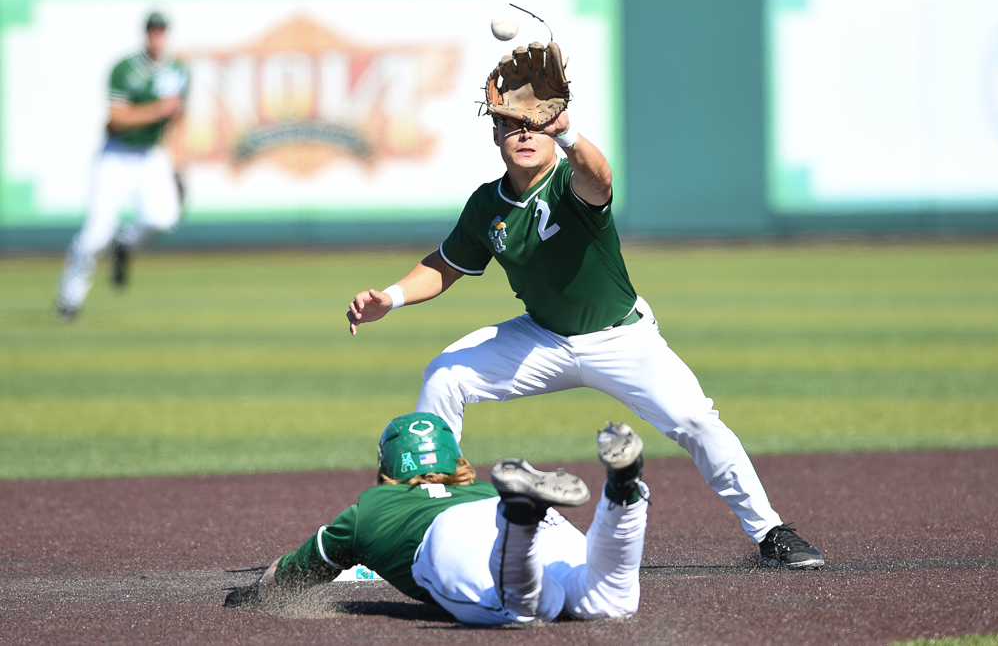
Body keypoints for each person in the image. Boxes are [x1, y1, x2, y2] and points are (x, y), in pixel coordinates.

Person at [346, 43, 823, 569]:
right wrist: (389, 297)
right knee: (444, 376)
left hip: (621, 337)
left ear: (551, 127)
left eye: (534, 123)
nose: (524, 133)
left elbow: (601, 178)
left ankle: (771, 532)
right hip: (544, 337)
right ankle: (419, 525)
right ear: (496, 134)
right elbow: (447, 263)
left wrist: (568, 133)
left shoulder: (571, 181)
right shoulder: (488, 204)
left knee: (697, 421)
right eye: (511, 124)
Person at [224, 413, 650, 624]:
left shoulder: (369, 509)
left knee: (525, 606)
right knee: (611, 599)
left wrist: (253, 595)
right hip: (508, 513)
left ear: (388, 460)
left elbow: (296, 573)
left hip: (451, 537)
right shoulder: (481, 485)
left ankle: (520, 516)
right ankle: (623, 492)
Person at [55, 11, 188, 321]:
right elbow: (116, 119)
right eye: (153, 31)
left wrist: (179, 156)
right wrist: (158, 110)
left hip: (151, 155)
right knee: (95, 236)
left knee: (164, 217)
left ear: (167, 35)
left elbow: (180, 115)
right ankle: (68, 299)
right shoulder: (124, 69)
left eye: (162, 31)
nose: (157, 36)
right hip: (116, 155)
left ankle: (123, 246)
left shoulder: (178, 70)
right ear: (146, 35)